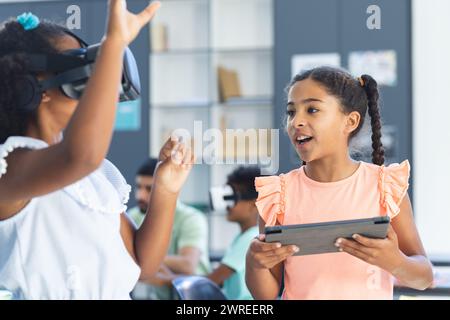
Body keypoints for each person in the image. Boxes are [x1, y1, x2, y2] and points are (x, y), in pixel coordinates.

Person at [0, 1, 195, 300]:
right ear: (37, 84)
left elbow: (142, 264)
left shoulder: (91, 178)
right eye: (84, 69)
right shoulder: (10, 168)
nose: (95, 84)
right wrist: (113, 44)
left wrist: (165, 190)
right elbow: (80, 155)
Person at [245, 66, 434, 300]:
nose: (296, 122)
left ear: (350, 121)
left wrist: (395, 262)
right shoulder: (278, 196)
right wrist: (254, 263)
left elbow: (424, 278)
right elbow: (267, 295)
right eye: (291, 112)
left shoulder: (385, 188)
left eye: (312, 109)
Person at [128, 158, 210, 300]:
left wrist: (145, 258)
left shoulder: (191, 218)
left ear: (163, 188)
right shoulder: (133, 216)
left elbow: (187, 265)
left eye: (149, 188)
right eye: (138, 187)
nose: (140, 195)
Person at [206, 166, 260, 300]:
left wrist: (166, 279)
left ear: (254, 205)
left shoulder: (251, 238)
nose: (228, 204)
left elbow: (212, 280)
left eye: (234, 197)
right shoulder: (242, 237)